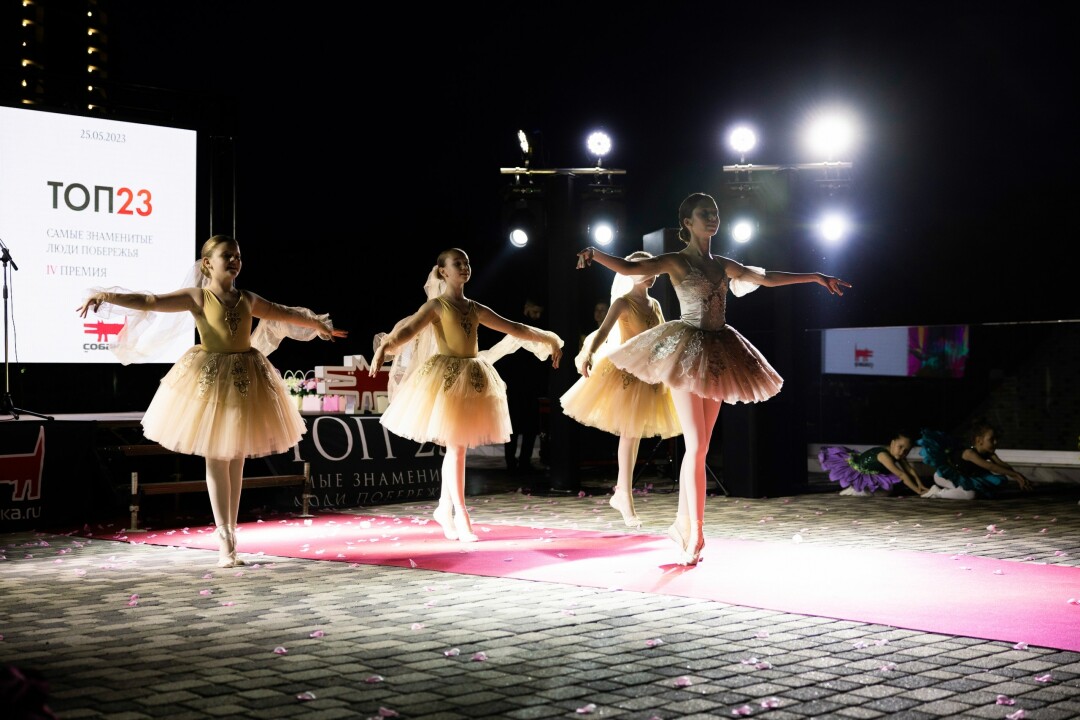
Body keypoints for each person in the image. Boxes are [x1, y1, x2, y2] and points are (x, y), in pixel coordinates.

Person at [575, 192, 850, 565]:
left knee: (701, 447)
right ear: (687, 223)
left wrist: (815, 277)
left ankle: (682, 524)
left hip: (719, 352)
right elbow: (628, 267)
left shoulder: (722, 264)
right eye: (704, 213)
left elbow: (765, 277)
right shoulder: (676, 260)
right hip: (686, 352)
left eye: (715, 212)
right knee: (696, 444)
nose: (712, 217)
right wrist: (595, 253)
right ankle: (697, 533)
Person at [76, 235, 348, 568]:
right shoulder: (198, 297)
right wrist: (107, 296)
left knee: (237, 457)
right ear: (208, 263)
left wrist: (317, 324)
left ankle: (231, 534)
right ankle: (225, 539)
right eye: (227, 255)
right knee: (218, 457)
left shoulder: (247, 298)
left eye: (238, 256)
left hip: (246, 378)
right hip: (212, 379)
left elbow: (283, 312)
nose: (234, 261)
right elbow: (150, 301)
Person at [369, 248, 563, 542]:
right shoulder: (436, 306)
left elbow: (514, 327)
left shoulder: (474, 308)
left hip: (471, 379)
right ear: (443, 271)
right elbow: (408, 330)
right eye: (457, 263)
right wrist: (386, 345)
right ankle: (460, 513)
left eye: (467, 263)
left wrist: (548, 338)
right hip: (446, 380)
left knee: (456, 446)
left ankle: (444, 508)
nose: (464, 267)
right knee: (457, 446)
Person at [560, 251, 681, 527]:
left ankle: (622, 492)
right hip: (627, 374)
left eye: (652, 269)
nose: (651, 274)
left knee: (633, 434)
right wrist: (589, 353)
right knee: (629, 433)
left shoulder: (654, 304)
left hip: (648, 375)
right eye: (644, 269)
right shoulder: (623, 303)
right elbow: (603, 331)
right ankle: (624, 494)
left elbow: (662, 336)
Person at [919, 420, 1033, 499]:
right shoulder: (970, 453)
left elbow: (1002, 465)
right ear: (979, 440)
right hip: (943, 476)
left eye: (996, 439)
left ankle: (951, 491)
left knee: (986, 492)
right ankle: (938, 492)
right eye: (991, 439)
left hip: (963, 477)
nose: (995, 442)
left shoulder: (989, 454)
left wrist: (1018, 476)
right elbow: (991, 467)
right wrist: (1015, 475)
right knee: (970, 495)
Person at [502, 296, 549, 473]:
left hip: (531, 385)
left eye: (539, 313)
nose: (537, 316)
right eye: (534, 312)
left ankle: (524, 460)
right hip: (515, 384)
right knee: (513, 426)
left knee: (530, 426)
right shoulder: (515, 326)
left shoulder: (538, 328)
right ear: (527, 307)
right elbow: (507, 357)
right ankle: (510, 461)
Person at [818, 430, 932, 496]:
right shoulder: (884, 456)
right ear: (892, 443)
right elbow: (901, 475)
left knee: (891, 488)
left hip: (874, 472)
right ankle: (856, 489)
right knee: (887, 491)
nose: (902, 452)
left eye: (906, 450)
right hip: (860, 471)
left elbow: (909, 470)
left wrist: (919, 484)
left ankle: (861, 489)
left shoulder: (898, 454)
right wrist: (918, 491)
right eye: (900, 447)